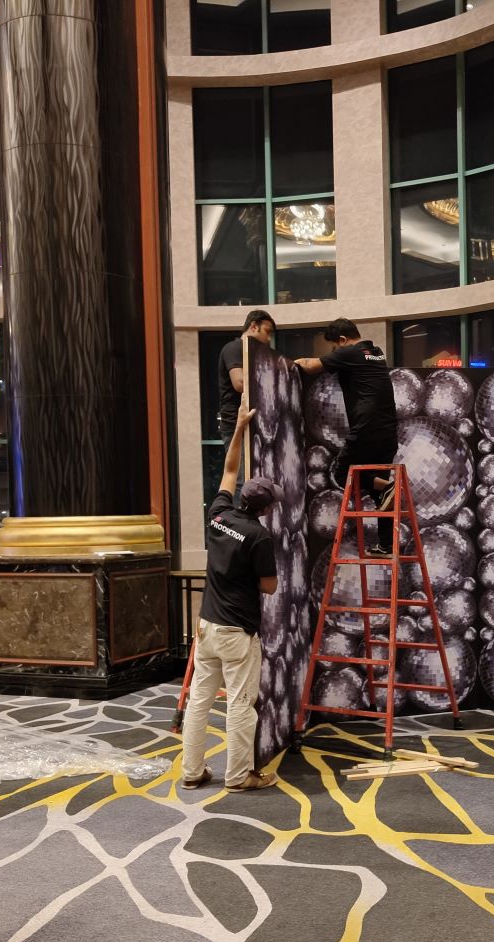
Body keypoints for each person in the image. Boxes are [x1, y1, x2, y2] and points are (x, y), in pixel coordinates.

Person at [180, 400, 281, 793]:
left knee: (199, 701)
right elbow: (269, 586)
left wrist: (238, 428)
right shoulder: (259, 536)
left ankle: (192, 771)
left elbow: (229, 470)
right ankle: (239, 776)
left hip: (207, 626)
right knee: (240, 703)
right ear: (265, 509)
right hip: (238, 631)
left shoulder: (219, 514)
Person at [294, 318, 399, 556]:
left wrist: (290, 364)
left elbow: (310, 365)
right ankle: (385, 544)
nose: (334, 352)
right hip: (387, 431)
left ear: (342, 339)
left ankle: (387, 487)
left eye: (334, 347)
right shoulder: (376, 353)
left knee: (341, 473)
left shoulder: (350, 352)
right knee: (380, 492)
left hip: (366, 428)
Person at [217, 310, 276, 489]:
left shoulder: (256, 354)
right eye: (267, 332)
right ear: (254, 326)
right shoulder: (234, 348)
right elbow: (240, 383)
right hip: (236, 425)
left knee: (254, 482)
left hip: (252, 424)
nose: (269, 339)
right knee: (241, 481)